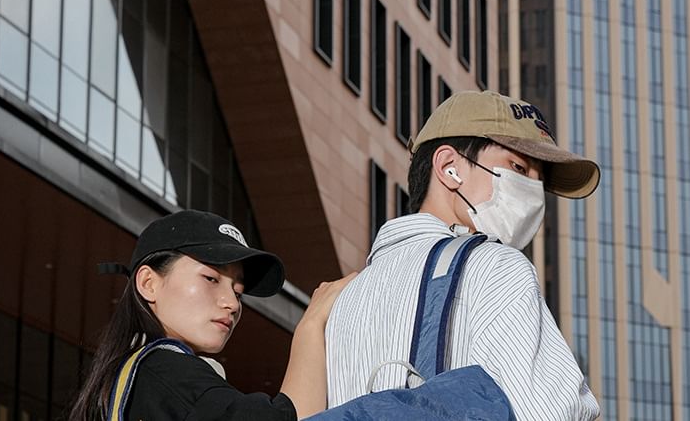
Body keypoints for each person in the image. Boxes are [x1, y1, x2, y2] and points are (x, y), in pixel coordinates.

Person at [325, 90, 602, 420]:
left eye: (539, 181)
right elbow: (550, 412)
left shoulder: (344, 299)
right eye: (519, 167)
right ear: (449, 167)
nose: (534, 192)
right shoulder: (495, 266)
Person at [69, 209, 354, 420]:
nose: (232, 303)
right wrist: (312, 324)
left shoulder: (131, 380)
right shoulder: (164, 371)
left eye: (239, 292)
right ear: (148, 283)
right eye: (211, 279)